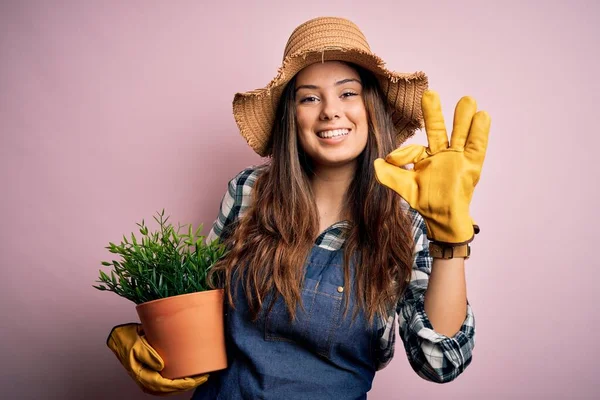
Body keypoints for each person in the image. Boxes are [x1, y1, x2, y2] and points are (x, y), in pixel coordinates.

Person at [106, 16, 490, 399]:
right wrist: (142, 337)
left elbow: (440, 362)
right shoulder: (249, 191)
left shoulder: (407, 220)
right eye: (309, 97)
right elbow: (196, 306)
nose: (330, 111)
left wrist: (449, 244)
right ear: (293, 116)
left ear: (371, 106)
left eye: (348, 93)